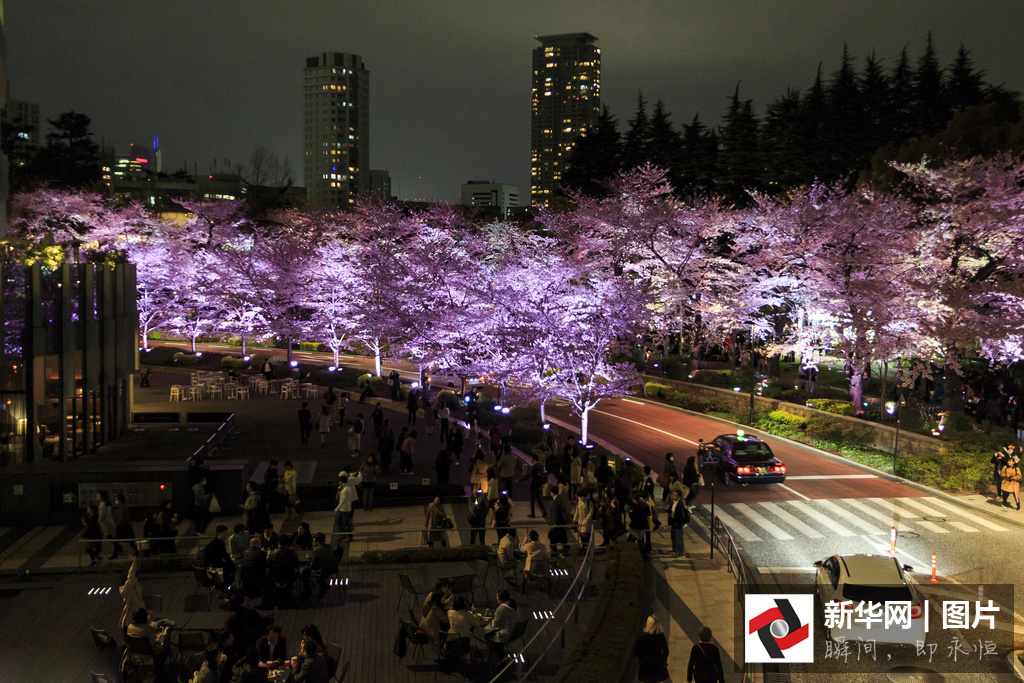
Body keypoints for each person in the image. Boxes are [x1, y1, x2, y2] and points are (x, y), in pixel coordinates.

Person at [485, 590, 521, 658]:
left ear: (500, 599)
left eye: (497, 597)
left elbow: (495, 625)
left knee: (488, 633)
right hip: (514, 632)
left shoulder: (501, 608)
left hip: (507, 634)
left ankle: (498, 656)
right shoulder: (512, 604)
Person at [635, 615, 670, 683]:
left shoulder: (643, 636)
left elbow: (637, 650)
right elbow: (666, 651)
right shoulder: (660, 636)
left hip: (646, 664)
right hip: (658, 664)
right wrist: (663, 659)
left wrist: (641, 658)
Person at [203, 525, 235, 592]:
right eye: (224, 533)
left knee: (233, 569)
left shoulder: (221, 543)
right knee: (226, 571)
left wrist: (231, 562)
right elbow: (209, 558)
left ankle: (225, 587)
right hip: (213, 566)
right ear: (219, 533)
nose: (226, 535)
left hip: (219, 564)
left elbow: (224, 555)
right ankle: (224, 587)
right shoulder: (211, 545)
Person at [119, 556, 145, 636]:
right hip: (135, 617)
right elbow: (131, 577)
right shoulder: (129, 588)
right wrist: (134, 563)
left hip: (135, 616)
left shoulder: (128, 590)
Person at [520, 453, 547, 518]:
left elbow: (528, 475)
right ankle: (544, 511)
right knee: (539, 499)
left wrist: (520, 480)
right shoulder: (541, 466)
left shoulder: (534, 467)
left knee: (532, 500)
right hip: (539, 485)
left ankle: (533, 513)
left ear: (534, 459)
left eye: (531, 459)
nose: (531, 460)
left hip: (533, 485)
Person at [112, 492, 136, 559]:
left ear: (120, 500)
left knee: (118, 540)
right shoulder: (123, 507)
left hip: (124, 527)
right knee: (129, 541)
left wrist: (116, 526)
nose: (116, 501)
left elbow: (120, 518)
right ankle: (115, 554)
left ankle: (115, 554)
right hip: (125, 526)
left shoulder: (123, 508)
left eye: (117, 499)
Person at [334, 473, 357, 542]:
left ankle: (349, 536)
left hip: (345, 509)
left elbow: (343, 500)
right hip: (342, 508)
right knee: (338, 521)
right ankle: (343, 534)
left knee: (346, 523)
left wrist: (337, 508)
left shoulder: (346, 489)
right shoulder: (342, 487)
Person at [668, 489, 690, 557]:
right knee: (673, 537)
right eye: (673, 494)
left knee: (679, 539)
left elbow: (682, 516)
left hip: (678, 524)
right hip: (673, 523)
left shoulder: (680, 504)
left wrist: (679, 523)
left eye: (675, 495)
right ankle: (675, 550)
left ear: (679, 497)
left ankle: (681, 553)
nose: (673, 496)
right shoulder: (673, 502)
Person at [96, 491, 116, 560]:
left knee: (108, 536)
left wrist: (98, 522)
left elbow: (102, 516)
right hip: (107, 524)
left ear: (102, 497)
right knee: (108, 536)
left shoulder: (103, 505)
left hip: (105, 524)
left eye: (98, 496)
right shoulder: (105, 504)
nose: (97, 497)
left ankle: (118, 548)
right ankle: (97, 552)